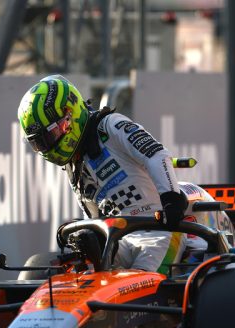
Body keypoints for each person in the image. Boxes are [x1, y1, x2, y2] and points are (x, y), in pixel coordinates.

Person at [17, 75, 189, 274]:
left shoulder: (110, 125)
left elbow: (156, 154)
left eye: (51, 135)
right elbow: (93, 216)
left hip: (160, 231)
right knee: (82, 281)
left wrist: (171, 198)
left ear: (70, 113)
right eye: (40, 143)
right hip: (117, 241)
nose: (47, 146)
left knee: (142, 283)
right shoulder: (73, 165)